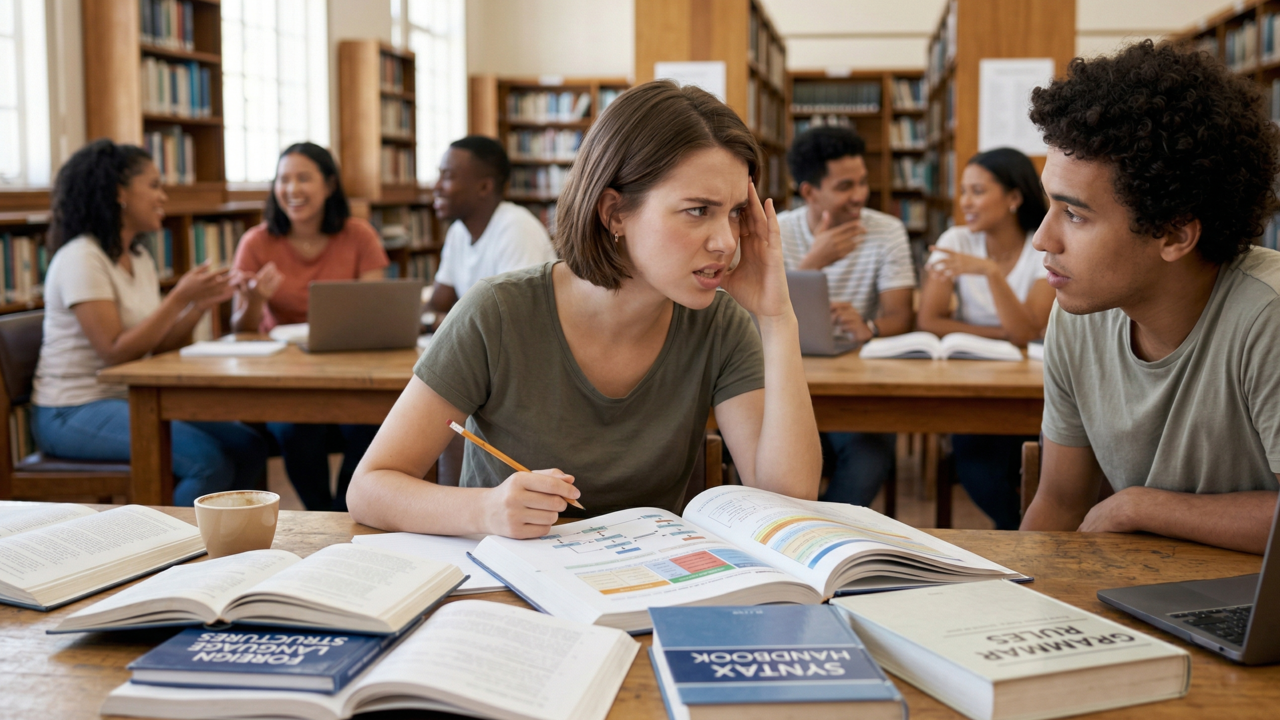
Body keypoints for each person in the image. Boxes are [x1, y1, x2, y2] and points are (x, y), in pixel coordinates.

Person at [347, 81, 821, 538]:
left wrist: (777, 319)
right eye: (698, 210)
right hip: (511, 588)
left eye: (737, 211)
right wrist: (485, 509)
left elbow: (787, 500)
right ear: (614, 212)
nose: (727, 241)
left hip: (647, 589)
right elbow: (370, 487)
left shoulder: (720, 324)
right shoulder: (497, 312)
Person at [1021, 40, 1280, 554]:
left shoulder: (1267, 317)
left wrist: (1139, 506)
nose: (1042, 239)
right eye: (1051, 205)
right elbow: (1060, 502)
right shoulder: (1076, 314)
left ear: (1174, 233)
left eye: (1075, 215)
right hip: (1152, 597)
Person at [31, 139, 268, 506]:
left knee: (249, 446)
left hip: (131, 398)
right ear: (119, 193)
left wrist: (198, 306)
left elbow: (157, 346)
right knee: (206, 462)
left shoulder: (138, 256)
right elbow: (113, 352)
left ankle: (225, 545)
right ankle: (172, 553)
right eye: (154, 185)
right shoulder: (81, 258)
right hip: (71, 409)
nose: (163, 197)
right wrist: (178, 298)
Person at [231, 142, 389, 511]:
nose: (292, 189)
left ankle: (341, 510)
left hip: (351, 369)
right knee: (294, 429)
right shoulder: (255, 241)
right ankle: (320, 511)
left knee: (371, 425)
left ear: (329, 185)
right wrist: (255, 300)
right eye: (283, 180)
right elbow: (241, 328)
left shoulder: (359, 235)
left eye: (304, 178)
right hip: (285, 376)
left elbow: (376, 312)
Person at [777, 126, 916, 508]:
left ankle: (817, 536)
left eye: (862, 182)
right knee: (761, 455)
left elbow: (901, 317)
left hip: (858, 388)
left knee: (869, 458)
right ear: (809, 192)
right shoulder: (778, 233)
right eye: (844, 187)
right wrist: (811, 265)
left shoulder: (886, 231)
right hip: (788, 381)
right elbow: (757, 317)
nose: (859, 196)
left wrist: (870, 328)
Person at [918, 147, 1054, 530]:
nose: (965, 202)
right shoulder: (956, 240)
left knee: (1031, 461)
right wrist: (1001, 335)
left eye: (977, 191)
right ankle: (1019, 532)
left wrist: (991, 273)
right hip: (972, 380)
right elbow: (929, 320)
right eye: (963, 191)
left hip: (1032, 387)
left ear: (1014, 197)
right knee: (976, 461)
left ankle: (1027, 532)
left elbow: (1026, 331)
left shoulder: (1041, 245)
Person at [428, 135, 557, 328]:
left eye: (447, 176)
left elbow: (512, 322)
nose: (436, 186)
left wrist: (438, 322)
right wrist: (433, 320)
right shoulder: (458, 232)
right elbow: (435, 305)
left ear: (484, 187)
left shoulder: (517, 228)